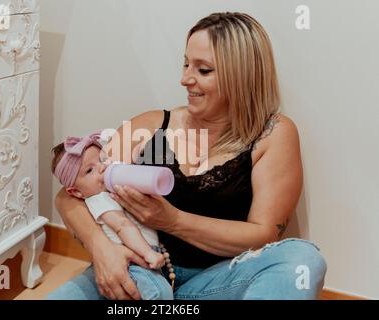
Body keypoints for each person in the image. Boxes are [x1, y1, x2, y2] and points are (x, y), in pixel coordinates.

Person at [47, 11, 327, 300]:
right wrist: (101, 249)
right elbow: (69, 195)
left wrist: (172, 221)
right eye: (185, 64)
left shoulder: (271, 134)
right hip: (139, 273)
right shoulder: (153, 127)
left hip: (218, 281)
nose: (184, 79)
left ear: (241, 76)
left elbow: (264, 234)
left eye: (203, 70)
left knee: (302, 260)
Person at [50, 133, 172, 299]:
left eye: (101, 159)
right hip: (132, 262)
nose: (102, 167)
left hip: (143, 258)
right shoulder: (100, 199)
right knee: (160, 292)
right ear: (76, 191)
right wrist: (148, 253)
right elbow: (122, 226)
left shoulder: (113, 187)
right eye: (90, 170)